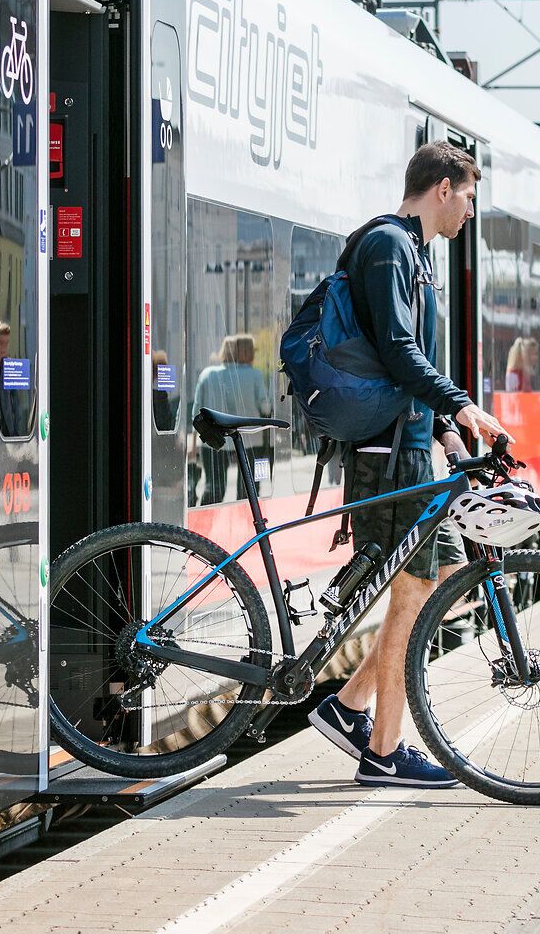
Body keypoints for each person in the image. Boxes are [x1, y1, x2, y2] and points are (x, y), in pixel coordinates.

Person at [307, 141, 508, 789]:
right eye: (470, 196)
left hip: (413, 446)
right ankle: (385, 750)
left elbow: (413, 363)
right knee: (415, 592)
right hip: (386, 456)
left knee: (446, 574)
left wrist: (449, 432)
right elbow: (398, 351)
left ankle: (348, 708)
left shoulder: (415, 255)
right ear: (444, 187)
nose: (470, 212)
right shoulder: (391, 246)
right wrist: (462, 403)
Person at [189, 335, 272, 504]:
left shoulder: (207, 374)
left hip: (213, 439)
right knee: (248, 488)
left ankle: (206, 524)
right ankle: (247, 524)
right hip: (249, 439)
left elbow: (195, 411)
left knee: (214, 486)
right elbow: (265, 408)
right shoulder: (254, 375)